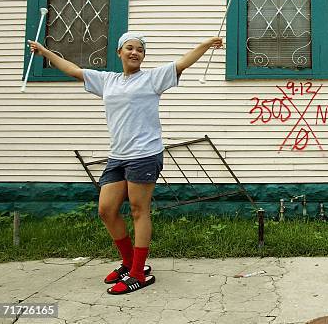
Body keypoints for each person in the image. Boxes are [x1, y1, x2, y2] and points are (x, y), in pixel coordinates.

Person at [28, 32, 223, 294]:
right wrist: (45, 52)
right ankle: (131, 263)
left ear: (143, 56)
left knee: (138, 210)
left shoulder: (152, 79)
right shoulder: (107, 81)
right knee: (106, 210)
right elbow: (73, 70)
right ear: (119, 52)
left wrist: (204, 44)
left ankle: (138, 274)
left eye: (140, 50)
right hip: (118, 156)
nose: (134, 53)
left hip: (144, 154)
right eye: (129, 48)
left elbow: (182, 63)